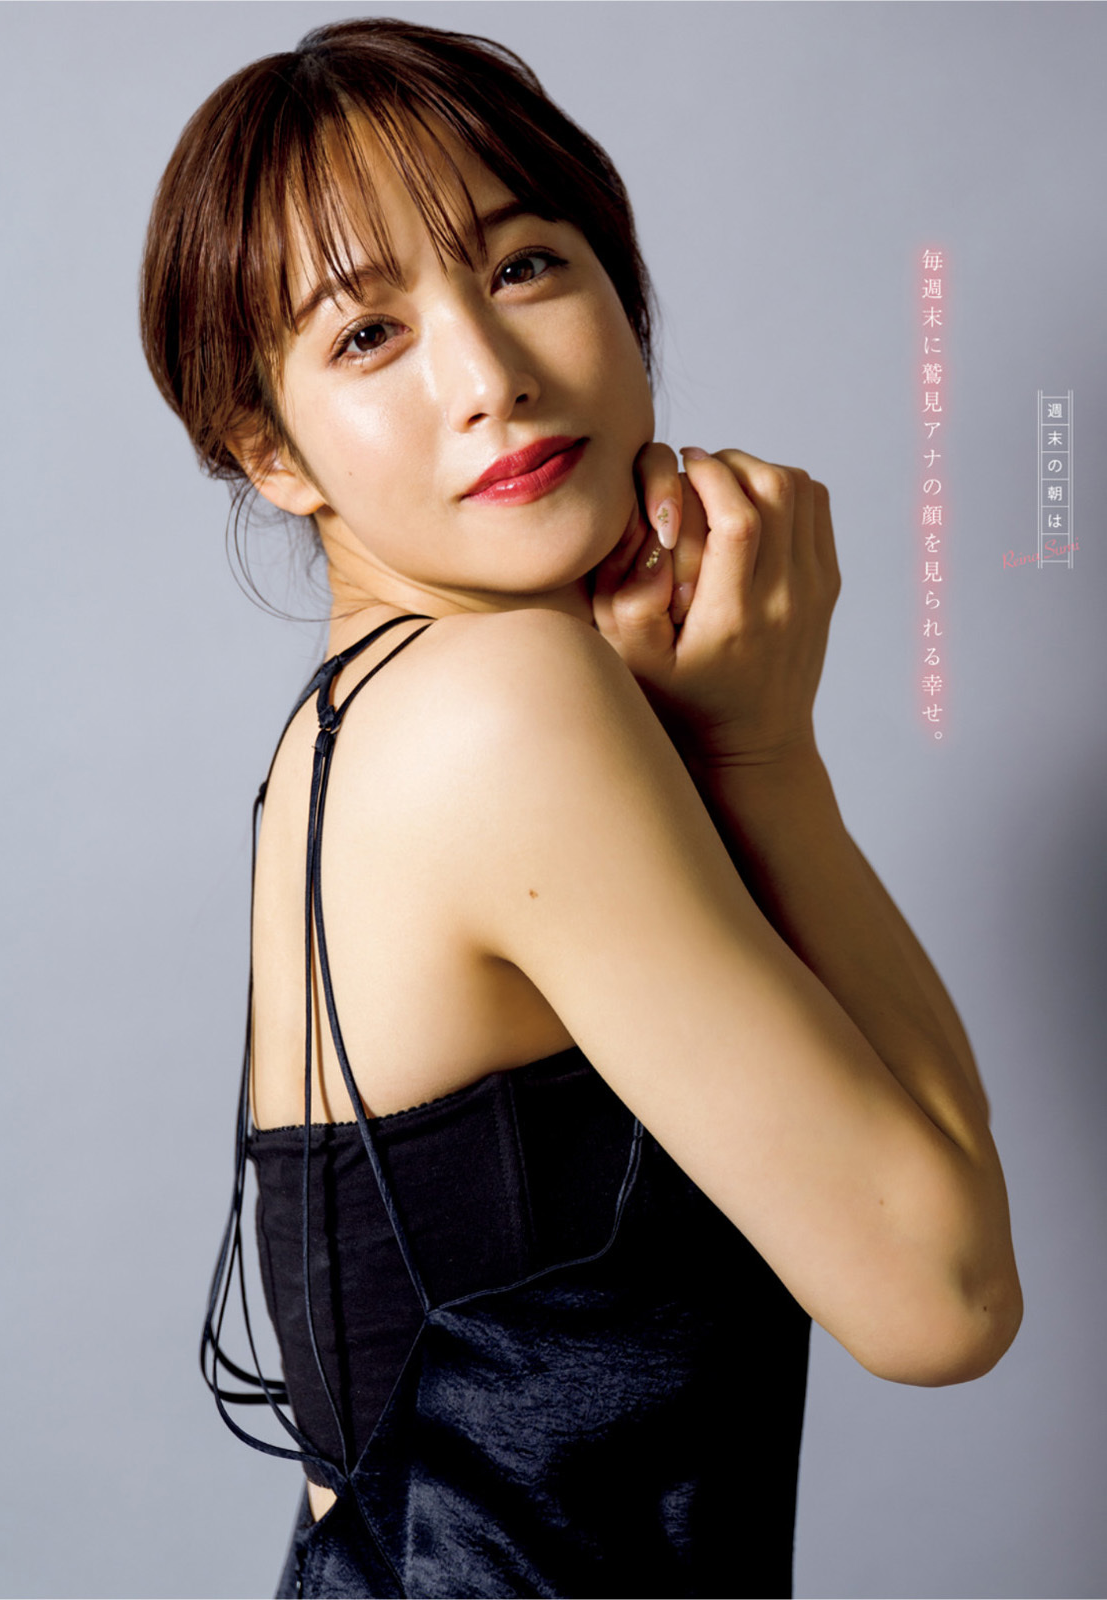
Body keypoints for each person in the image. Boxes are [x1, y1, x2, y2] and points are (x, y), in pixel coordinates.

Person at [140, 17, 1021, 1598]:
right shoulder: (503, 706)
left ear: (619, 289)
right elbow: (943, 1300)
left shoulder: (348, 732)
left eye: (525, 265)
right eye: (368, 335)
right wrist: (767, 759)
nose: (492, 378)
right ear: (267, 448)